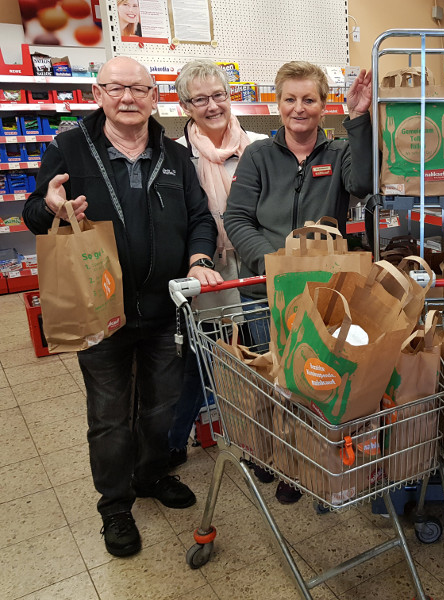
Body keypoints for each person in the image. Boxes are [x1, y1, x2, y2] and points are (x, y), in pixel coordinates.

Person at [23, 56, 222, 558]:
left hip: (163, 310)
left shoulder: (173, 155)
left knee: (160, 405)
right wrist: (46, 205)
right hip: (100, 309)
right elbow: (31, 212)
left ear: (155, 96)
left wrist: (199, 257)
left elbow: (199, 217)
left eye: (139, 88)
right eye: (117, 88)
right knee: (110, 416)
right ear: (99, 93)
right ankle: (114, 506)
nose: (128, 97)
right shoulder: (69, 146)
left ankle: (151, 474)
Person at [224, 61, 373, 503]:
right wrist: (270, 264)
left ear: (324, 106)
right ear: (278, 104)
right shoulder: (258, 156)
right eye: (290, 99)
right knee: (268, 379)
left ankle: (299, 464)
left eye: (309, 99)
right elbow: (236, 217)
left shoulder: (340, 151)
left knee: (309, 381)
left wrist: (360, 118)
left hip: (322, 294)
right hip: (264, 289)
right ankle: (266, 452)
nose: (299, 108)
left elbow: (363, 183)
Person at [166, 59, 269, 470]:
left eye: (219, 95)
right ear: (184, 106)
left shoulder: (261, 146)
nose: (212, 106)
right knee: (199, 360)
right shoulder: (176, 156)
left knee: (261, 358)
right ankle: (173, 443)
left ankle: (263, 444)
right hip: (206, 272)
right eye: (200, 99)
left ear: (232, 97)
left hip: (256, 270)